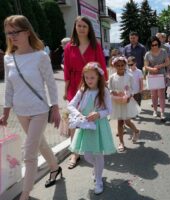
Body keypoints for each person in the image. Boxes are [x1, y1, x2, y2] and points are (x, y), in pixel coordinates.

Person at [0, 15, 61, 200]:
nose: (12, 36)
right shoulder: (9, 58)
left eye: (15, 32)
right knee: (40, 143)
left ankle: (25, 194)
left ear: (27, 31)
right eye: (8, 33)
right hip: (20, 111)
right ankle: (55, 167)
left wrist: (55, 107)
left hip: (39, 110)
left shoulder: (40, 56)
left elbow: (51, 83)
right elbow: (9, 87)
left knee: (29, 151)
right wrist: (5, 111)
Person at [63, 16, 108, 169]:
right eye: (79, 26)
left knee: (90, 115)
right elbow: (67, 70)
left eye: (84, 26)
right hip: (75, 84)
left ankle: (92, 146)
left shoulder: (95, 46)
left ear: (89, 29)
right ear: (75, 27)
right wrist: (65, 90)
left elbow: (102, 66)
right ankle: (74, 152)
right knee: (74, 118)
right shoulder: (69, 46)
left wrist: (104, 86)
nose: (81, 28)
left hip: (92, 84)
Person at [68, 62, 116, 194]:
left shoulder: (104, 91)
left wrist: (98, 114)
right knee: (88, 156)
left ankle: (99, 180)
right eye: (86, 77)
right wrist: (79, 115)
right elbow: (70, 105)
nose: (89, 80)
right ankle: (97, 168)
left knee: (98, 154)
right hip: (86, 126)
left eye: (92, 78)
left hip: (99, 126)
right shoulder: (83, 90)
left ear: (99, 77)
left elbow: (109, 110)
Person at [109, 56, 140, 152]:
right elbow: (110, 88)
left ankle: (136, 131)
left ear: (125, 65)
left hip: (127, 101)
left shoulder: (129, 76)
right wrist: (113, 92)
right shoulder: (112, 77)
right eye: (118, 65)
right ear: (114, 66)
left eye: (122, 65)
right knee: (120, 121)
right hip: (117, 102)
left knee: (127, 121)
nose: (120, 67)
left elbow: (132, 89)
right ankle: (121, 142)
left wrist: (129, 96)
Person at [144, 36, 170, 120]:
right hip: (152, 76)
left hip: (161, 75)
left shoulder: (163, 51)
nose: (154, 46)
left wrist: (159, 66)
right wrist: (152, 69)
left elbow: (167, 62)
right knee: (153, 95)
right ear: (150, 45)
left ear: (158, 43)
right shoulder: (148, 54)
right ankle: (155, 110)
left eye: (156, 44)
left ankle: (162, 112)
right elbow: (146, 66)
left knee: (161, 95)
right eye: (152, 45)